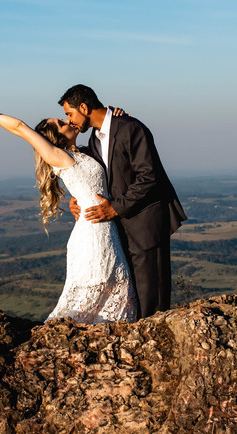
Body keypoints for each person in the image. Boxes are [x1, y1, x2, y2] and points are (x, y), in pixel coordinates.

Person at [0, 107, 138, 323]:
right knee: (93, 292)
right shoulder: (59, 156)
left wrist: (117, 116)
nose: (68, 122)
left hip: (104, 229)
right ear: (56, 138)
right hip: (93, 234)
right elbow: (19, 127)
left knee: (116, 292)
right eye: (62, 124)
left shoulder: (79, 153)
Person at [59, 85, 186, 318]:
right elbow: (96, 176)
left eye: (70, 114)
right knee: (133, 296)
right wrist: (78, 198)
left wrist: (115, 208)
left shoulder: (131, 128)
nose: (70, 121)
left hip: (145, 224)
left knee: (152, 299)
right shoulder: (95, 137)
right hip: (120, 229)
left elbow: (149, 177)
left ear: (84, 107)